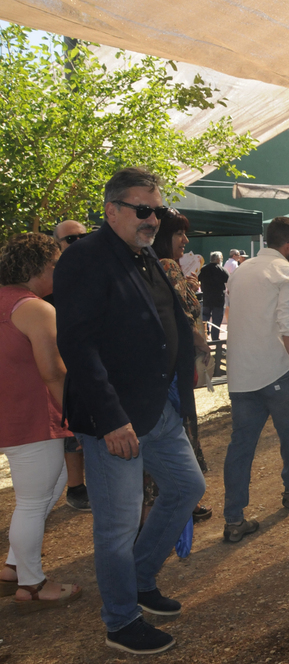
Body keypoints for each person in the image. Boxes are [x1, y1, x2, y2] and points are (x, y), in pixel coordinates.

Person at [54, 167, 206, 655]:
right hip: (114, 417)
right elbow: (77, 345)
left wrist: (186, 369)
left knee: (187, 487)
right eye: (143, 210)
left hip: (158, 407)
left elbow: (168, 324)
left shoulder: (145, 258)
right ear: (112, 209)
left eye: (156, 210)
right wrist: (111, 418)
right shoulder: (86, 258)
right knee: (117, 526)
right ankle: (120, 621)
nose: (152, 219)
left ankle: (141, 579)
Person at [222, 216, 289, 543]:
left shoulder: (241, 270)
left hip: (240, 374)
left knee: (241, 446)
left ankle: (234, 518)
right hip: (277, 370)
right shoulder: (287, 271)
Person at [0, 233, 83, 614]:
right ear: (38, 269)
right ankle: (32, 585)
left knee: (47, 490)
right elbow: (54, 371)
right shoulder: (35, 308)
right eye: (55, 264)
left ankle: (16, 565)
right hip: (31, 417)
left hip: (13, 414)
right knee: (34, 501)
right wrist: (79, 415)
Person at [150, 209, 213, 522]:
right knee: (182, 427)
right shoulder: (167, 265)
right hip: (175, 365)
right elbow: (184, 312)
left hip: (161, 364)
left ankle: (164, 500)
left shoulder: (149, 263)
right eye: (179, 234)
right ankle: (184, 498)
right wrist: (203, 346)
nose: (185, 240)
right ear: (165, 236)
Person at [52, 219, 91, 510]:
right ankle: (75, 487)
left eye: (82, 237)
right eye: (70, 239)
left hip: (92, 359)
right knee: (69, 428)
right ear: (57, 246)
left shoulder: (95, 268)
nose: (78, 242)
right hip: (59, 364)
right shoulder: (51, 280)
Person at [199, 251, 228, 342]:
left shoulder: (204, 269)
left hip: (206, 297)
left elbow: (198, 278)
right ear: (218, 259)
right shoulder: (221, 270)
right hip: (218, 299)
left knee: (205, 318)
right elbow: (229, 280)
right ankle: (215, 338)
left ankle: (204, 336)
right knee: (216, 320)